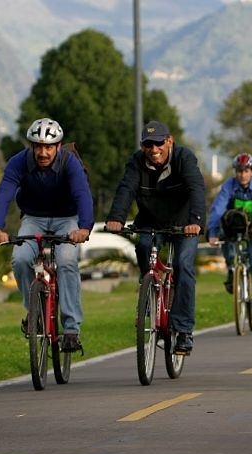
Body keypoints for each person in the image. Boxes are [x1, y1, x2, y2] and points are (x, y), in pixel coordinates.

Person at [0, 117, 93, 353]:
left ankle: (71, 329)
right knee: (20, 259)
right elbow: (4, 194)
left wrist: (84, 228)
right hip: (33, 218)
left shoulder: (69, 163)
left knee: (66, 260)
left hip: (67, 218)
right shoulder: (18, 162)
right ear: (31, 146)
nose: (43, 153)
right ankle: (34, 311)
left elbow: (82, 194)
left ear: (58, 146)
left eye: (48, 147)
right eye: (38, 147)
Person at [105, 120, 206, 354]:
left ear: (169, 141)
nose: (154, 149)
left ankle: (183, 330)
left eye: (159, 143)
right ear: (142, 146)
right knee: (143, 248)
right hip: (150, 222)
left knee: (183, 265)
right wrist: (116, 218)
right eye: (148, 145)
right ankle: (149, 291)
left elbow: (196, 189)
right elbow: (126, 189)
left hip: (184, 224)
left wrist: (196, 221)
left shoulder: (184, 158)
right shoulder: (136, 162)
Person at [207, 153, 252, 322]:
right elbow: (218, 209)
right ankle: (232, 269)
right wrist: (212, 233)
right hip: (234, 222)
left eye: (246, 171)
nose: (242, 175)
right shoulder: (229, 186)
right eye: (239, 171)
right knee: (225, 238)